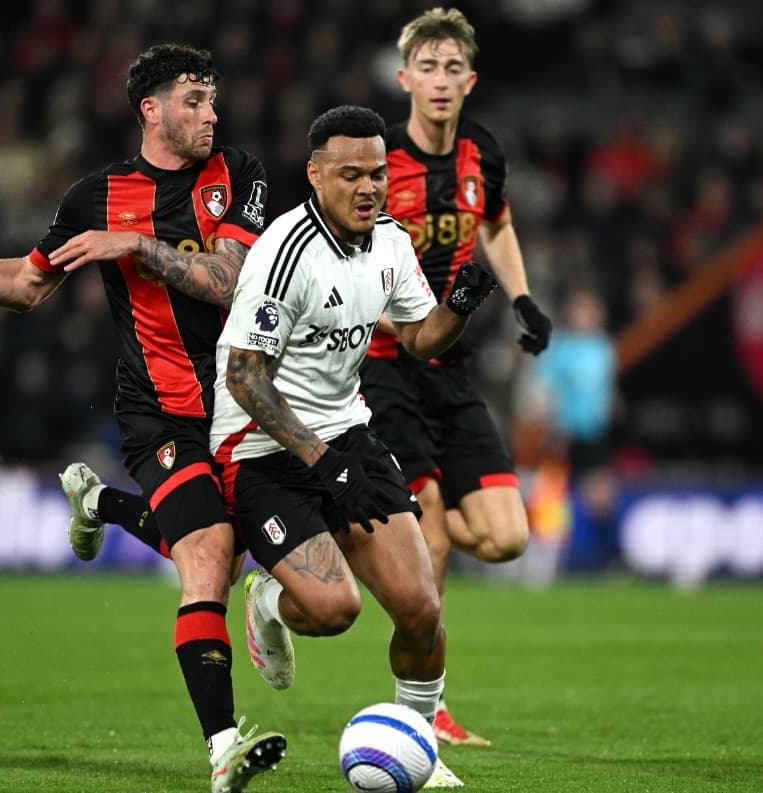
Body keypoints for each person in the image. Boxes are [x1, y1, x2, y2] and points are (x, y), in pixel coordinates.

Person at [0, 43, 284, 793]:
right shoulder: (94, 196)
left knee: (225, 557)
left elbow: (229, 282)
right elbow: (28, 285)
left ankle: (98, 501)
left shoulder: (242, 175)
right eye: (194, 100)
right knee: (208, 553)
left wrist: (135, 244)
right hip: (157, 409)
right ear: (151, 110)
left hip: (239, 399)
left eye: (213, 99)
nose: (211, 113)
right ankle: (225, 747)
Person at [212, 105, 497, 790]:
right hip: (261, 448)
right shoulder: (285, 254)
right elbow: (244, 377)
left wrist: (456, 305)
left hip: (346, 431)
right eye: (350, 175)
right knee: (335, 610)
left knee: (422, 610)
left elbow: (422, 338)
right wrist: (321, 460)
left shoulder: (391, 242)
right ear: (315, 175)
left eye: (377, 174)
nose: (368, 188)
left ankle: (419, 749)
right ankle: (268, 601)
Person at [359, 7, 554, 747]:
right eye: (427, 69)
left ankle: (368, 539)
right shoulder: (376, 163)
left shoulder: (483, 154)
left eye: (452, 70)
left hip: (452, 367)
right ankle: (421, 715)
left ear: (469, 82)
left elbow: (496, 224)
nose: (440, 82)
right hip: (384, 365)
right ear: (405, 78)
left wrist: (525, 297)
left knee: (507, 539)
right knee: (432, 537)